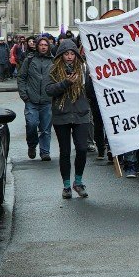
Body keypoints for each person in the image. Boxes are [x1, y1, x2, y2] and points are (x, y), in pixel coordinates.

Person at [44, 39, 91, 199]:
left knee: (82, 149)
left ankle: (78, 182)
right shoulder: (54, 70)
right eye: (66, 54)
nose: (70, 57)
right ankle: (66, 186)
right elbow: (49, 90)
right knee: (65, 151)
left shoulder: (83, 69)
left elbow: (91, 91)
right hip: (62, 115)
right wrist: (65, 83)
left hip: (81, 114)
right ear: (61, 56)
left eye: (72, 54)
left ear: (76, 55)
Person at [17, 36, 53, 161]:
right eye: (41, 45)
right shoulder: (30, 60)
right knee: (31, 124)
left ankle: (45, 152)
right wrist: (24, 95)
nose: (43, 47)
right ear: (37, 46)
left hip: (47, 100)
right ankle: (32, 145)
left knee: (46, 129)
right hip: (31, 100)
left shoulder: (53, 61)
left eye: (45, 45)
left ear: (48, 47)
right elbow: (21, 77)